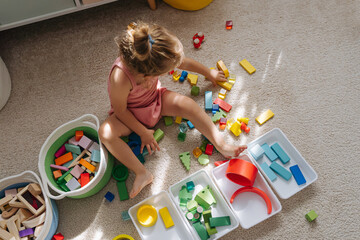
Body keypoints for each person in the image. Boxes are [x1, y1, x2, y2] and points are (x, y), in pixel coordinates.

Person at [98, 22, 247, 198]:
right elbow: (120, 111)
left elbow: (184, 63)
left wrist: (209, 73)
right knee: (105, 133)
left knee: (188, 105)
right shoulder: (120, 77)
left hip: (156, 99)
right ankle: (141, 172)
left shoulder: (157, 55)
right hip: (130, 114)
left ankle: (222, 145)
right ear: (147, 75)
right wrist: (143, 132)